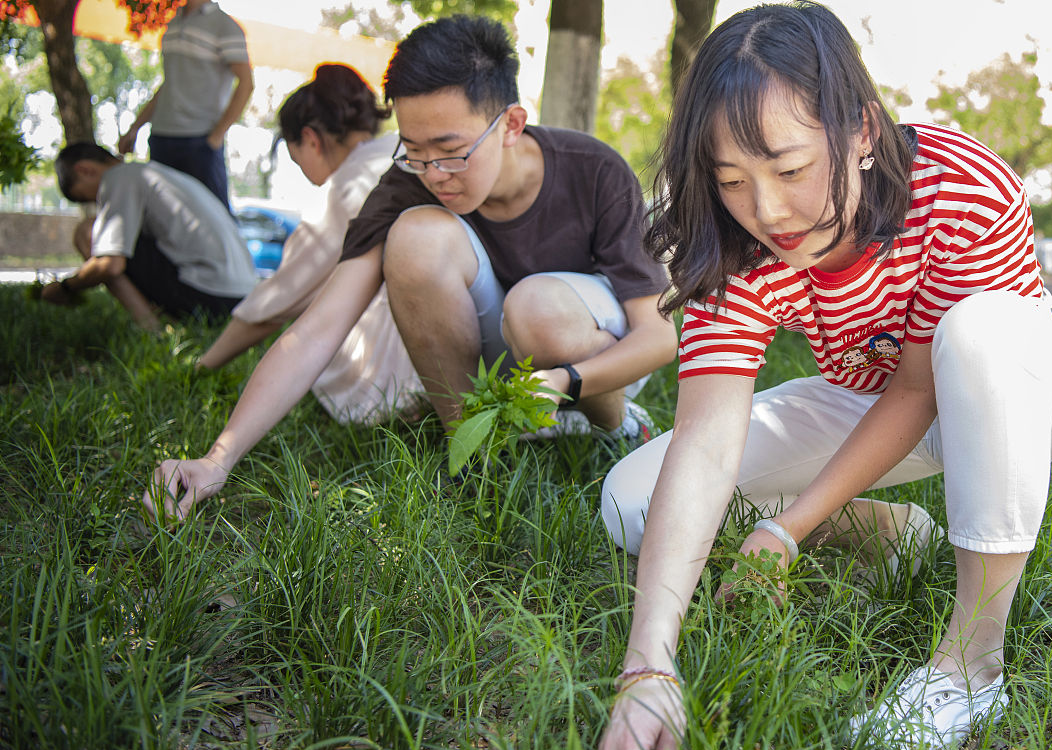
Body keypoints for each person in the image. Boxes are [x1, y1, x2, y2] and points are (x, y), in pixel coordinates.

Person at [597, 1, 1052, 750]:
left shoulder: (962, 185)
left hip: (1011, 386)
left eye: (789, 169)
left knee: (978, 331)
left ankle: (972, 666)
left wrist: (785, 526)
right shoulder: (729, 243)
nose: (767, 211)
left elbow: (919, 388)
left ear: (861, 130)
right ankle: (890, 531)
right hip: (865, 395)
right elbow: (707, 439)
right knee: (632, 503)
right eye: (731, 180)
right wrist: (648, 665)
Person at [142, 15, 675, 521]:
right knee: (416, 237)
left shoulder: (595, 169)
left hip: (588, 342)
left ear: (511, 124)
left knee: (535, 306)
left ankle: (617, 428)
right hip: (502, 348)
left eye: (450, 151)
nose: (433, 173)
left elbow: (658, 337)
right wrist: (217, 459)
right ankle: (477, 458)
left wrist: (564, 380)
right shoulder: (407, 182)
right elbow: (315, 332)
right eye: (414, 150)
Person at [194, 63, 420, 426]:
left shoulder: (343, 188)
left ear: (311, 139)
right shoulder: (411, 148)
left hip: (391, 385)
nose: (305, 174)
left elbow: (274, 302)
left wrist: (203, 367)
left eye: (297, 159)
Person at [41, 142, 258, 331]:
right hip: (243, 300)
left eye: (86, 198)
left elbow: (110, 264)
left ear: (85, 170)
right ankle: (166, 320)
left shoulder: (117, 178)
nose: (96, 204)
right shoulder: (156, 173)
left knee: (88, 231)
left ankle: (152, 331)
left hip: (209, 298)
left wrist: (64, 287)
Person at [116, 0, 253, 209]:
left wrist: (215, 138)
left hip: (200, 141)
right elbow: (170, 85)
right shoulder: (172, 23)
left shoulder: (225, 26)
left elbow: (246, 84)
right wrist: (135, 127)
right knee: (163, 217)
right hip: (162, 137)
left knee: (213, 218)